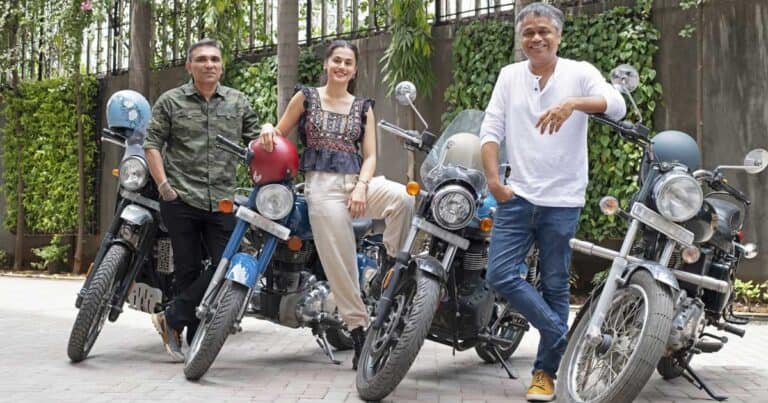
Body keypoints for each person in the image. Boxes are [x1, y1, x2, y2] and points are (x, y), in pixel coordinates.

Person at [479, 3, 626, 401]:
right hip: (517, 195)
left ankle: (544, 374)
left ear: (558, 36)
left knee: (556, 284)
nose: (536, 38)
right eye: (528, 32)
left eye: (543, 31)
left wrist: (573, 103)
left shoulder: (579, 72)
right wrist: (493, 181)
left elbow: (616, 104)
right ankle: (562, 334)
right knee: (499, 275)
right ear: (520, 38)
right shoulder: (509, 76)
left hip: (563, 199)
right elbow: (491, 129)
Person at [259, 39, 414, 370]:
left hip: (357, 183)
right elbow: (280, 132)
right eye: (337, 61)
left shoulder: (363, 107)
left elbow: (370, 156)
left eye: (348, 63)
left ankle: (390, 269)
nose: (342, 67)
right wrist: (267, 128)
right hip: (322, 188)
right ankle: (359, 332)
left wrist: (361, 187)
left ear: (354, 70)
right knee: (341, 263)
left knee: (403, 199)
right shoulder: (306, 97)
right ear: (326, 64)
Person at [144, 38, 259, 362]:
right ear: (189, 66)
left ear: (222, 66)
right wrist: (164, 186)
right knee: (188, 268)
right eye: (202, 59)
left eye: (214, 59)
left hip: (222, 200)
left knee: (227, 265)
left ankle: (172, 317)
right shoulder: (171, 101)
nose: (209, 64)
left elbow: (256, 142)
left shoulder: (238, 101)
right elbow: (152, 144)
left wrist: (267, 132)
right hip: (181, 197)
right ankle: (193, 338)